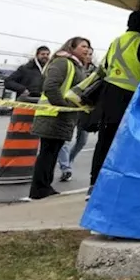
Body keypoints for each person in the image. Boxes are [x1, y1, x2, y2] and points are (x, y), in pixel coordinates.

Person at [84, 10, 140, 195]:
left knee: (104, 142)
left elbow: (106, 67)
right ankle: (121, 183)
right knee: (127, 142)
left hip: (108, 97)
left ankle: (95, 184)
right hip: (129, 98)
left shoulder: (116, 41)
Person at [28, 37, 91, 201]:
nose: (87, 50)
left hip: (63, 116)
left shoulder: (77, 65)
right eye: (83, 46)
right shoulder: (62, 62)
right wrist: (63, 107)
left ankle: (45, 186)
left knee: (53, 152)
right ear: (72, 47)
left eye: (88, 47)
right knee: (47, 153)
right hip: (53, 114)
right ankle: (39, 189)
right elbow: (50, 87)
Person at [58, 50, 96, 182]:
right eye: (86, 53)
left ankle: (69, 160)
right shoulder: (73, 68)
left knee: (82, 141)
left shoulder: (95, 72)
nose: (88, 56)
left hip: (84, 111)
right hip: (71, 108)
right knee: (65, 140)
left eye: (90, 54)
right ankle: (65, 167)